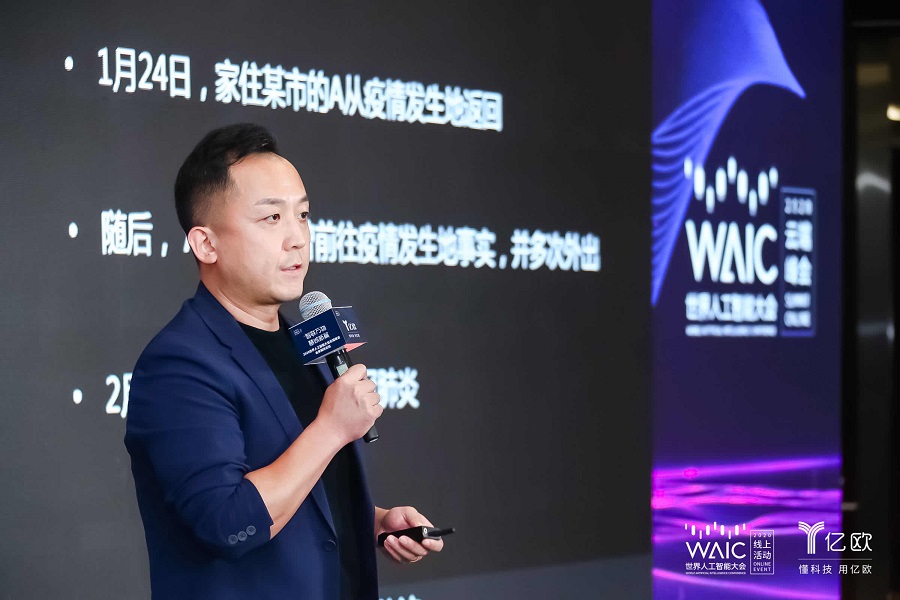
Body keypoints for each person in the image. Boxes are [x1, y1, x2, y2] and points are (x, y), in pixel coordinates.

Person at [124, 123, 443, 600]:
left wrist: (373, 521)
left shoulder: (304, 342)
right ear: (206, 244)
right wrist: (331, 429)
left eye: (304, 215)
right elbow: (227, 523)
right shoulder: (179, 363)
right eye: (272, 218)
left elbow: (303, 490)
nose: (297, 238)